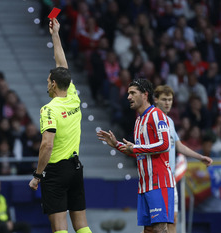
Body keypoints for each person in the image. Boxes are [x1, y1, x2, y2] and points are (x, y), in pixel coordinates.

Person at [28, 18, 92, 233]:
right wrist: (55, 34)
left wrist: (37, 175)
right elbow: (62, 65)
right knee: (82, 225)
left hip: (55, 171)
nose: (47, 84)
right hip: (76, 167)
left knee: (60, 227)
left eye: (48, 81)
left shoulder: (49, 109)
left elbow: (47, 145)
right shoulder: (73, 96)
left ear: (54, 84)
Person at [97, 78, 174, 233]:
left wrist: (136, 148)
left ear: (145, 95)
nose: (128, 97)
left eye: (133, 93)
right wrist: (117, 145)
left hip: (159, 182)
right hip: (144, 185)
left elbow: (165, 144)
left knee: (160, 229)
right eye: (128, 93)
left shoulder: (156, 115)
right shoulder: (138, 121)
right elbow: (138, 153)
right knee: (148, 230)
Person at [153, 85, 213, 233]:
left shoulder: (170, 121)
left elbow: (178, 146)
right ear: (155, 100)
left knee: (173, 221)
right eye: (164, 100)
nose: (167, 103)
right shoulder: (151, 121)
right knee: (156, 225)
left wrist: (200, 157)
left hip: (171, 180)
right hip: (157, 180)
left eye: (170, 100)